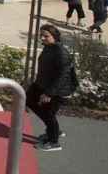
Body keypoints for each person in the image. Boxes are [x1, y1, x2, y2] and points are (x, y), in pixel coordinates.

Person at [27, 24, 77, 152]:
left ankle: (54, 141)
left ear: (55, 37)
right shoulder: (49, 47)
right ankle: (53, 130)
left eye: (46, 36)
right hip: (43, 84)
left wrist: (49, 93)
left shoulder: (61, 53)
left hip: (58, 90)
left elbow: (63, 76)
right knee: (29, 100)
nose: (42, 38)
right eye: (41, 36)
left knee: (48, 114)